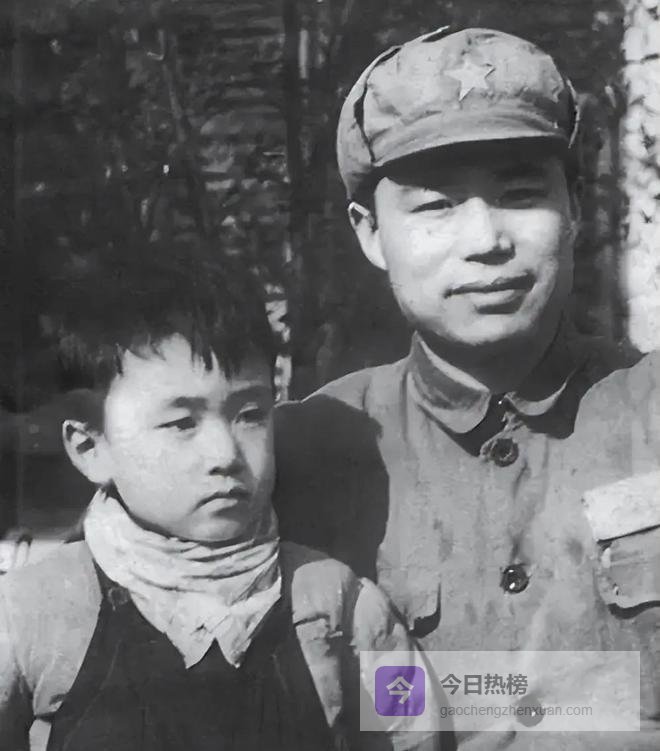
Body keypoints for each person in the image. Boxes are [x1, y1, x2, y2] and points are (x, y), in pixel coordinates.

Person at [274, 27, 660, 749]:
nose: (485, 240)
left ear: (575, 208)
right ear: (370, 233)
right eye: (436, 205)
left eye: (521, 194)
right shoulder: (290, 457)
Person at [0, 245, 441, 751]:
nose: (225, 454)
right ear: (91, 447)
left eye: (250, 415)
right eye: (181, 423)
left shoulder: (342, 605)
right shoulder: (30, 613)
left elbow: (416, 737)